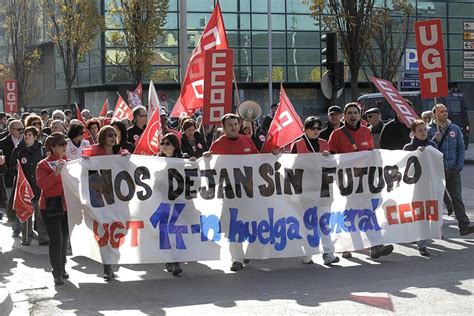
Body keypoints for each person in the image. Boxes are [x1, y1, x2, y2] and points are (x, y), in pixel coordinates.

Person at [329, 102, 394, 260]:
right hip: (346, 182)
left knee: (364, 212)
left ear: (360, 115)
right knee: (353, 213)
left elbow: (370, 153)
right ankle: (353, 245)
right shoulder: (337, 134)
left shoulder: (366, 131)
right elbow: (331, 158)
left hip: (365, 181)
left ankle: (371, 245)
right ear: (344, 116)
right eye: (349, 113)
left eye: (355, 113)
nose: (352, 116)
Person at [208, 113, 259, 271]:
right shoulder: (217, 145)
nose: (233, 127)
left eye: (235, 124)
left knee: (252, 223)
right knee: (234, 225)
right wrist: (206, 159)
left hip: (249, 189)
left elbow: (259, 160)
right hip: (230, 191)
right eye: (230, 125)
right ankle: (236, 258)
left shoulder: (247, 140)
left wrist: (274, 156)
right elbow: (211, 169)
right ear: (223, 127)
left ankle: (251, 252)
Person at [291, 116, 340, 266]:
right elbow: (290, 167)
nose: (316, 131)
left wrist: (328, 158)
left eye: (318, 128)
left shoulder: (325, 144)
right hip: (304, 190)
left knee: (324, 221)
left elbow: (333, 165)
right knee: (307, 222)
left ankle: (328, 252)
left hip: (323, 188)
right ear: (305, 129)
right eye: (312, 128)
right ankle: (307, 252)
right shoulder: (297, 145)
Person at [83, 125, 128, 281]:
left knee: (117, 230)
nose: (113, 137)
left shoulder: (120, 153)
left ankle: (111, 262)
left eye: (115, 135)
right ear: (103, 137)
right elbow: (83, 166)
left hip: (115, 200)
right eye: (110, 135)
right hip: (99, 199)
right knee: (103, 232)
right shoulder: (93, 150)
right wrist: (85, 161)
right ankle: (106, 267)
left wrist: (127, 159)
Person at [428, 104, 474, 236]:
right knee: (436, 201)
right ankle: (437, 229)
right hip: (437, 171)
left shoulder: (454, 129)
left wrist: (459, 166)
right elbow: (428, 149)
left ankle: (464, 226)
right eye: (441, 111)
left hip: (453, 170)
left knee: (457, 198)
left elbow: (461, 147)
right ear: (434, 114)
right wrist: (434, 140)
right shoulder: (429, 130)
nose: (445, 113)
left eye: (446, 111)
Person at [36, 133, 70, 286]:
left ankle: (62, 268)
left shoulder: (69, 162)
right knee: (56, 239)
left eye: (65, 144)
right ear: (52, 147)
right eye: (61, 144)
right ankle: (56, 272)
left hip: (67, 205)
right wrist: (56, 173)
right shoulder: (43, 164)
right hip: (50, 205)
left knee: (65, 239)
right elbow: (43, 185)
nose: (65, 147)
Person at [403, 120, 438, 256]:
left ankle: (421, 238)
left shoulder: (432, 145)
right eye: (420, 130)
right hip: (415, 187)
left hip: (429, 185)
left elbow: (438, 164)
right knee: (419, 214)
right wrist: (417, 154)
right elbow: (405, 166)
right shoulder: (408, 147)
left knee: (428, 214)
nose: (423, 132)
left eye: (425, 129)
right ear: (413, 133)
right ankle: (421, 244)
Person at [11, 126, 49, 246]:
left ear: (35, 137)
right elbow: (11, 168)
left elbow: (46, 166)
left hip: (38, 187)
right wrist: (16, 169)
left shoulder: (41, 150)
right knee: (26, 213)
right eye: (25, 135)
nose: (27, 137)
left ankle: (43, 237)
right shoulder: (18, 150)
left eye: (30, 135)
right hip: (24, 188)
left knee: (40, 214)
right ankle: (26, 237)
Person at [158, 133, 188, 276]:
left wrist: (196, 161)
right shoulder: (156, 161)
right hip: (162, 200)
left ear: (175, 146)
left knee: (175, 230)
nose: (164, 146)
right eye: (162, 143)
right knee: (164, 230)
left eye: (167, 143)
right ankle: (169, 259)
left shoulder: (183, 159)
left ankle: (175, 261)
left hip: (179, 201)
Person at [0, 120, 24, 236]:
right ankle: (16, 228)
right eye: (19, 129)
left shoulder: (27, 141)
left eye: (22, 129)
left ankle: (26, 230)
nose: (22, 132)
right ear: (11, 130)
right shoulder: (3, 143)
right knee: (12, 204)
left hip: (25, 179)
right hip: (10, 179)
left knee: (24, 204)